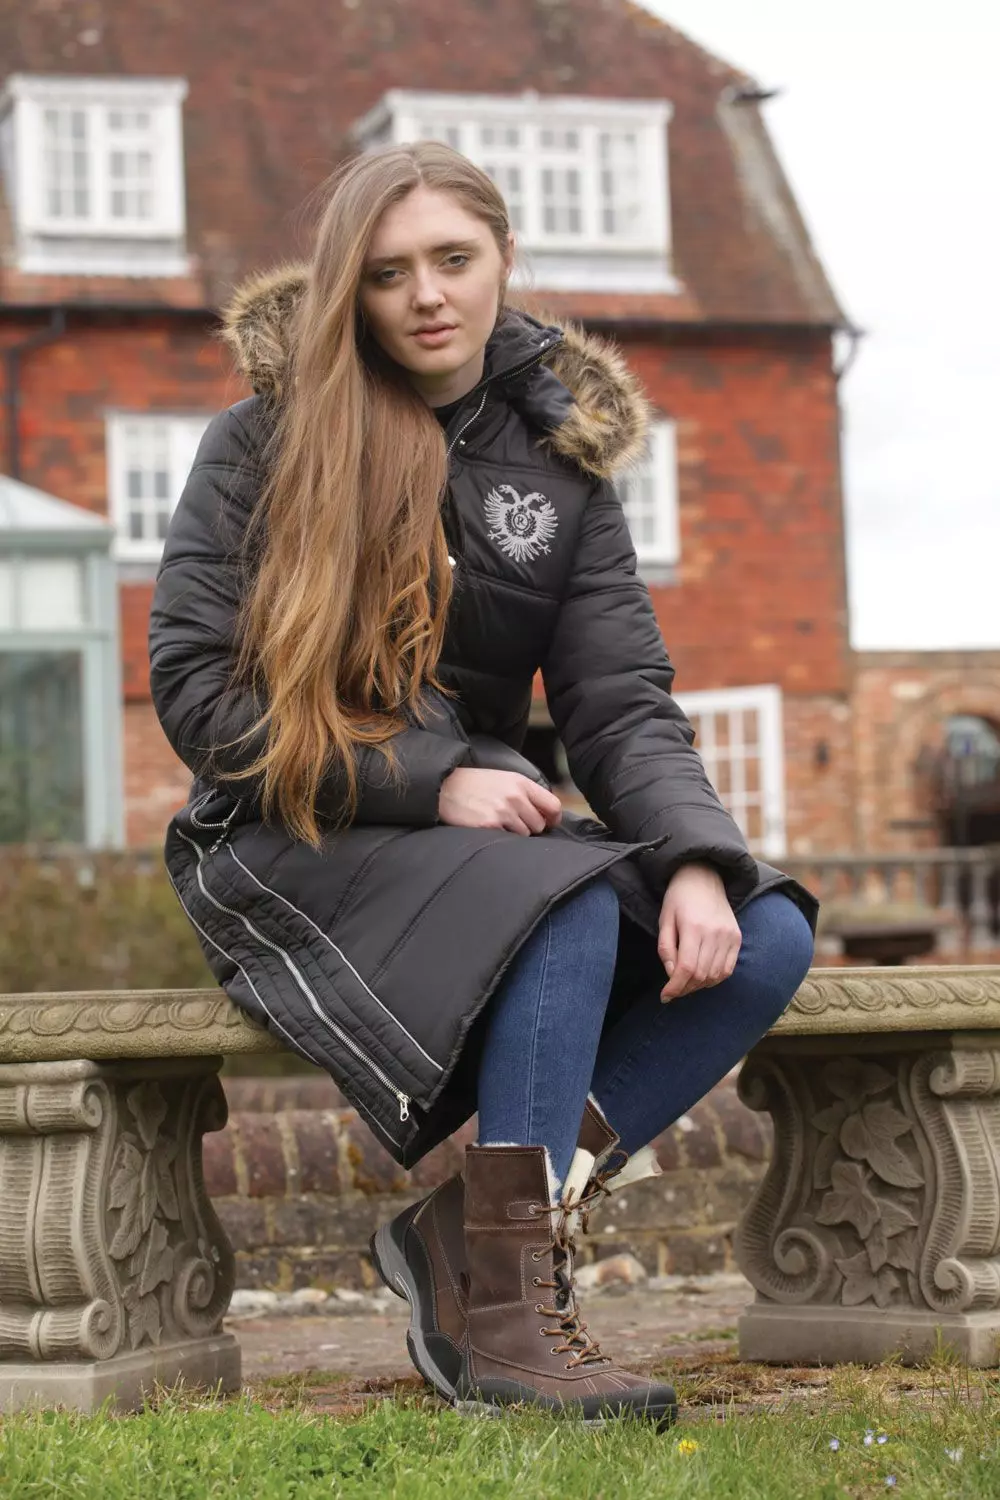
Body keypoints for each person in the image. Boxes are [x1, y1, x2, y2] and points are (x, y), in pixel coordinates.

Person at [149, 141, 817, 1430]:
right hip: (291, 825)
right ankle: (512, 1316)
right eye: (388, 273)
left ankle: (467, 1237)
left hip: (477, 844)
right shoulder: (264, 441)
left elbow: (620, 700)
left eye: (453, 260)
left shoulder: (561, 462)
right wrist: (436, 774)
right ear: (351, 288)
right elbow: (197, 699)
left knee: (766, 933)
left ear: (505, 257)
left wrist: (694, 857)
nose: (427, 297)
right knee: (559, 896)